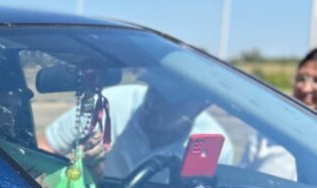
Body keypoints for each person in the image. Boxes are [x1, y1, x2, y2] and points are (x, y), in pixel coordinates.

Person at [43, 73, 230, 179]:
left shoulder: (215, 146)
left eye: (171, 100)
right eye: (155, 91)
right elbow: (46, 145)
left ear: (203, 106)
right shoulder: (108, 104)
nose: (154, 104)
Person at [240, 49, 317, 179]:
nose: (305, 88)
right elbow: (240, 180)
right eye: (301, 79)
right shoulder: (267, 136)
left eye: (316, 81)